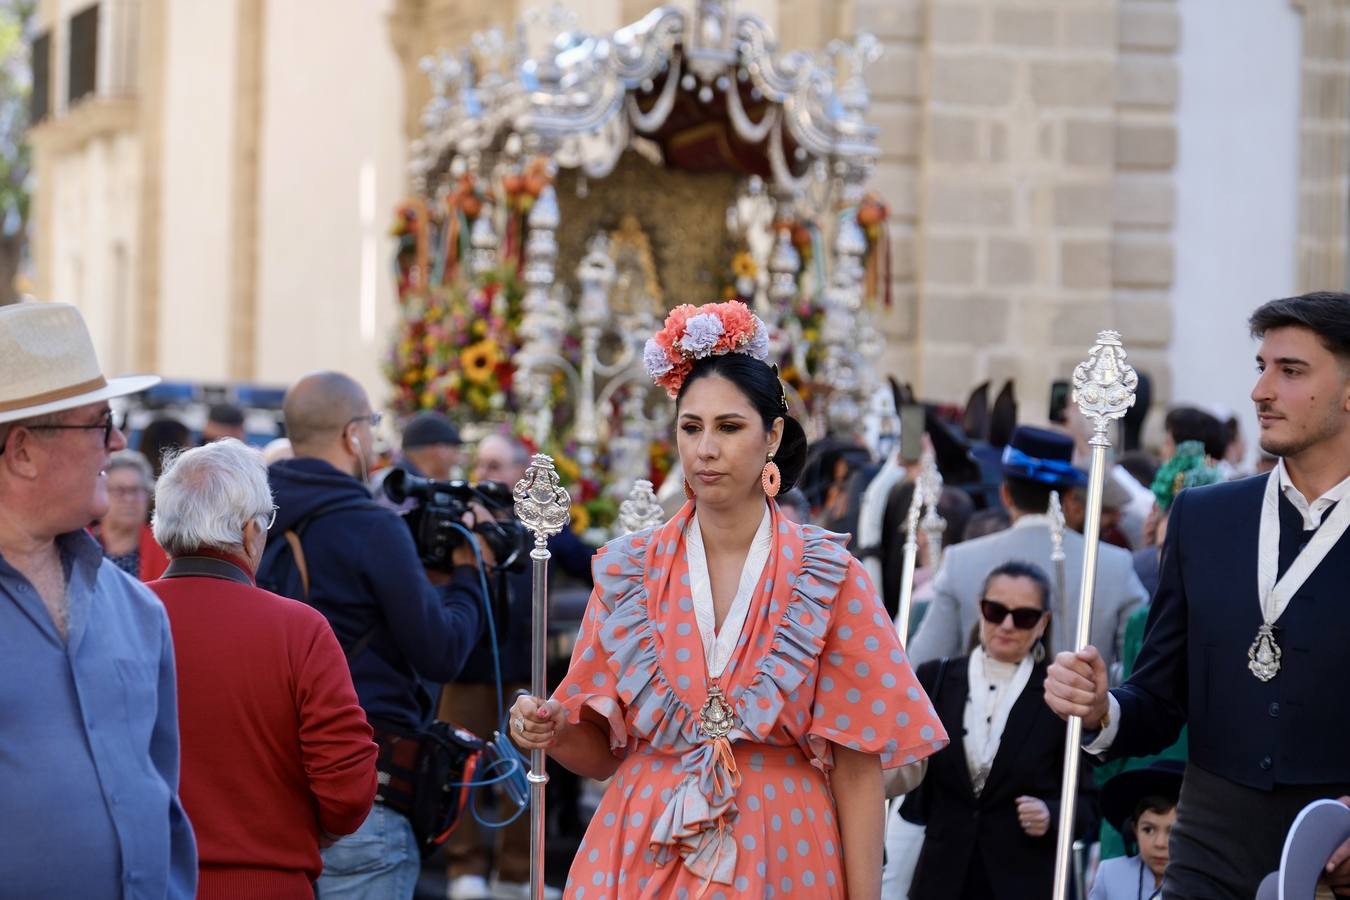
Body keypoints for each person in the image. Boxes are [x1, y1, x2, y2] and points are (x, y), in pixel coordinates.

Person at [509, 301, 948, 899]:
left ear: (771, 435)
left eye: (729, 427)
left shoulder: (829, 575)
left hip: (786, 846)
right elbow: (601, 751)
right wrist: (553, 729)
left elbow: (857, 763)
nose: (706, 449)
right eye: (691, 428)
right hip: (645, 844)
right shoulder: (628, 571)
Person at [1045, 292, 1350, 898]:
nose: (1261, 391)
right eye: (1260, 368)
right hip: (1209, 849)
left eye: (1290, 372)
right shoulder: (1203, 518)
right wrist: (1104, 707)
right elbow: (1160, 699)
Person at [258, 370, 489, 899]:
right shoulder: (369, 525)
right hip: (364, 791)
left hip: (274, 787)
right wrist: (468, 578)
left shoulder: (252, 519)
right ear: (353, 435)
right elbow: (441, 651)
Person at [0, 302, 195, 898]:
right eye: (99, 422)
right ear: (24, 451)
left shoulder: (137, 610)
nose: (116, 441)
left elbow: (160, 786)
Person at [149, 439, 378, 897]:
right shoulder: (299, 629)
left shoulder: (117, 613)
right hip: (267, 881)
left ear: (161, 528)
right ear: (252, 530)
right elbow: (348, 789)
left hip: (144, 878)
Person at [443, 431, 593, 900]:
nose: (487, 474)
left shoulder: (537, 520)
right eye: (482, 465)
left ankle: (514, 870)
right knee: (460, 766)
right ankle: (463, 869)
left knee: (525, 767)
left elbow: (581, 555)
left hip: (522, 667)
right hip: (466, 664)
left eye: (497, 465)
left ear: (519, 471)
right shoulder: (461, 518)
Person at [900, 561, 1096, 899]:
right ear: (980, 608)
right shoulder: (936, 679)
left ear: (1042, 623)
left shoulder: (1059, 693)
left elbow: (1088, 802)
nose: (1006, 625)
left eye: (1023, 616)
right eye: (995, 611)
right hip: (942, 879)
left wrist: (1051, 813)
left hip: (1025, 880)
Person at [908, 425, 1148, 678]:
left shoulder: (961, 561)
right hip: (1076, 714)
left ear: (1005, 494)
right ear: (1068, 498)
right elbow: (1138, 669)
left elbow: (920, 666)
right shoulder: (1114, 564)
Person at [1090, 760, 1183, 900]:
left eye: (1173, 832)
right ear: (1134, 829)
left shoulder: (1203, 885)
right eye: (1149, 830)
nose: (1160, 843)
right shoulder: (1110, 874)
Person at [93, 449, 170, 580]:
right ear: (99, 494)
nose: (129, 499)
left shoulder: (166, 550)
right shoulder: (77, 544)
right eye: (119, 490)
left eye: (136, 490)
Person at [370, 410, 464, 512]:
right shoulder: (398, 490)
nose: (457, 458)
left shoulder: (394, 482)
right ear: (440, 449)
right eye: (455, 449)